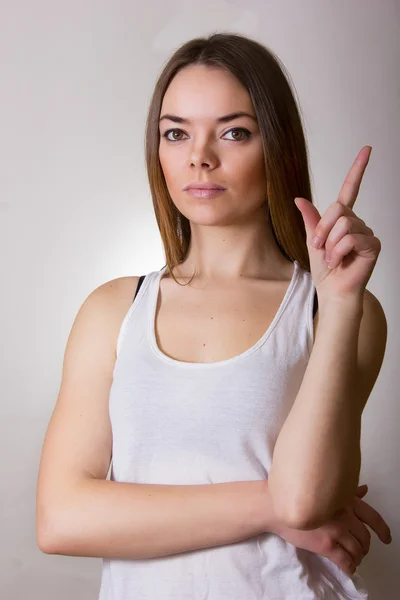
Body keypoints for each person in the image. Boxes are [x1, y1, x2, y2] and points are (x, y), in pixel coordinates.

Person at [36, 32, 390, 599]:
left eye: (234, 132)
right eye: (176, 133)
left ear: (275, 146)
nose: (200, 156)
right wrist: (268, 509)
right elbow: (61, 519)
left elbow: (303, 498)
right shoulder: (113, 311)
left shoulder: (338, 311)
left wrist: (342, 298)